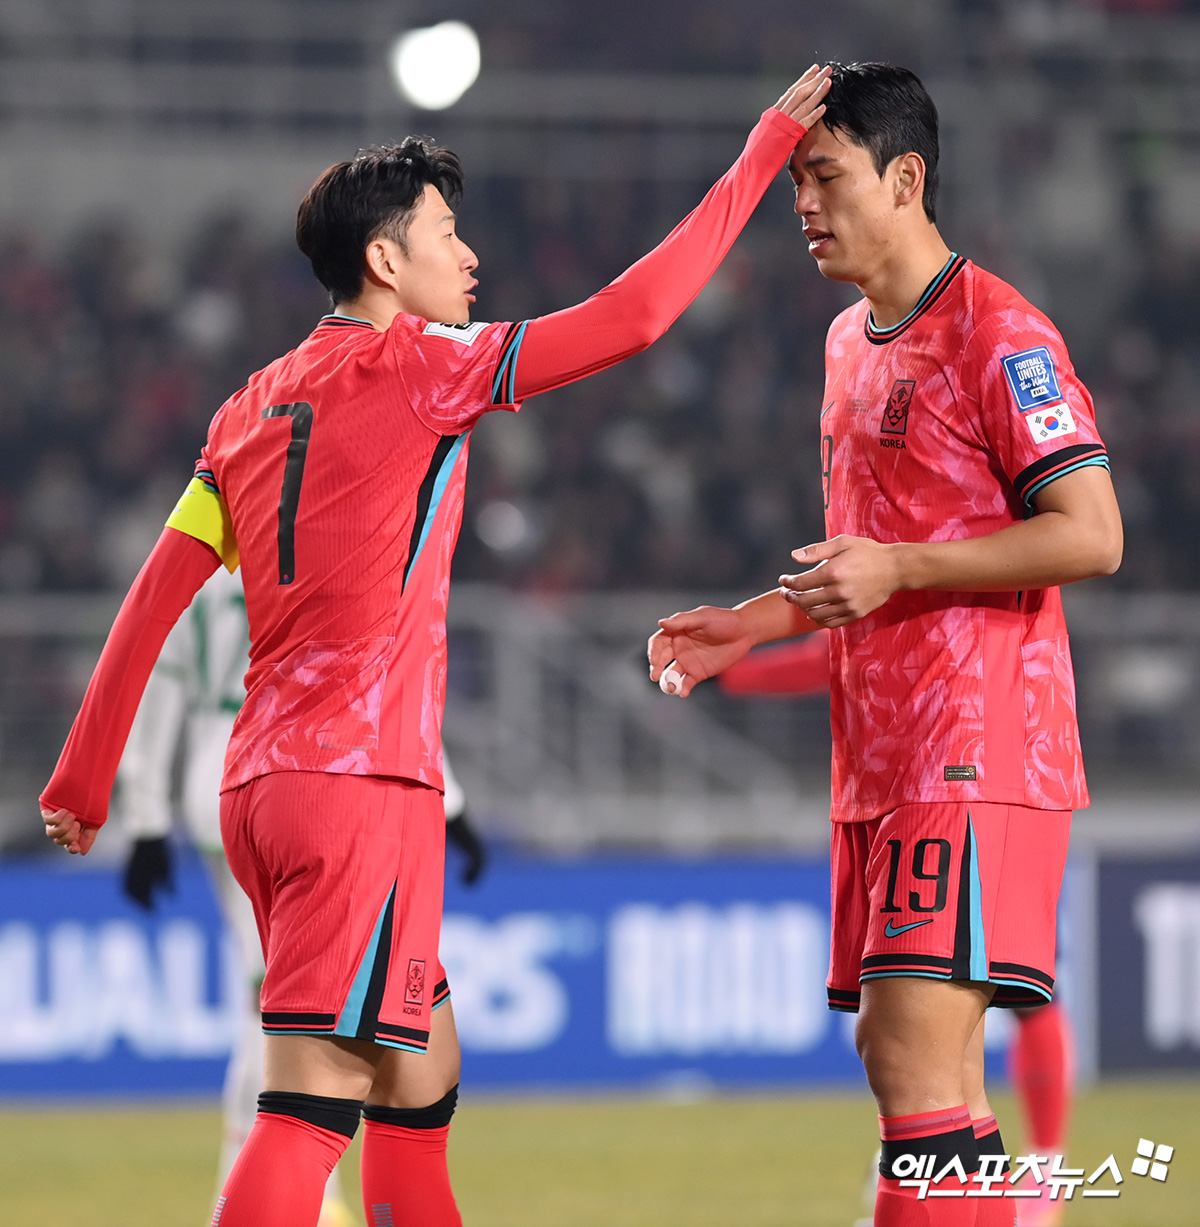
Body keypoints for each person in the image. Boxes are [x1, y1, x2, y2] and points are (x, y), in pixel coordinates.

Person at [39, 66, 832, 1227]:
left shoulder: (247, 407)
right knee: (307, 1108)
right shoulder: (424, 367)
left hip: (267, 785)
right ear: (383, 260)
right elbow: (634, 318)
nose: (470, 257)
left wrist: (82, 775)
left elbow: (154, 598)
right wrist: (761, 151)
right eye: (447, 234)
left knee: (421, 1083)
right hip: (357, 786)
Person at [648, 62, 1121, 1227]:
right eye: (795, 184)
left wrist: (903, 568)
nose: (804, 204)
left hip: (976, 744)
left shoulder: (1001, 334)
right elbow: (869, 556)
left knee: (906, 1059)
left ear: (906, 180)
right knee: (930, 1075)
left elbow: (1092, 533)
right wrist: (751, 622)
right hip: (881, 754)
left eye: (825, 177)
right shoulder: (846, 342)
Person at [117, 566, 486, 1226]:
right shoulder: (329, 545)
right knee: (292, 1016)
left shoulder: (201, 561)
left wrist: (144, 814)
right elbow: (387, 673)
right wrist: (450, 801)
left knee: (296, 1005)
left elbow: (154, 674)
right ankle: (292, 1195)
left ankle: (279, 1187)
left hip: (224, 775)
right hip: (322, 767)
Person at [718, 632, 1076, 1227]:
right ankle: (1033, 1176)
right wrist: (736, 640)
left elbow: (852, 619)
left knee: (911, 1059)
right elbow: (845, 634)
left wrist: (736, 656)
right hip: (920, 772)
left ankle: (1044, 1168)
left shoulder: (941, 597)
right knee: (946, 1072)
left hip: (960, 772)